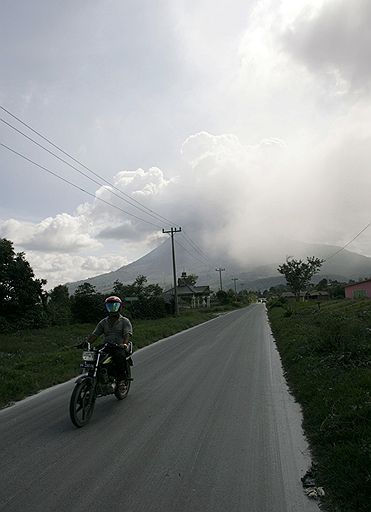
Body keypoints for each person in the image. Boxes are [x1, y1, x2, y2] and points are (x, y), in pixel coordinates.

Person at [87, 296, 133, 385]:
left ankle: (121, 379)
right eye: (110, 306)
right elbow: (95, 334)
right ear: (106, 307)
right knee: (94, 355)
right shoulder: (103, 322)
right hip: (107, 345)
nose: (112, 309)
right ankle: (93, 377)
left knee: (119, 356)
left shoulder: (125, 321)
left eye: (115, 306)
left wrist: (124, 344)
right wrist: (87, 342)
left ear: (119, 307)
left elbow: (127, 334)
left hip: (118, 346)